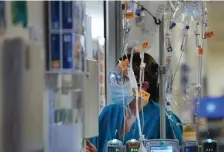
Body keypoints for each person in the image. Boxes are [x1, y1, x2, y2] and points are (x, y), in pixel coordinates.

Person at [86, 52, 183, 152]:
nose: (114, 85)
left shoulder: (164, 120)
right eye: (114, 78)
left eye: (121, 79)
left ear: (143, 86)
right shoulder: (109, 114)